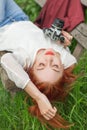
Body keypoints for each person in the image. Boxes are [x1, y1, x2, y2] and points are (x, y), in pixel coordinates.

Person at [0, 0, 77, 129]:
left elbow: (6, 59)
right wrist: (65, 41)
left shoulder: (26, 58)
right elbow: (72, 62)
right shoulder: (59, 54)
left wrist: (39, 96)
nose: (49, 59)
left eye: (41, 65)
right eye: (55, 66)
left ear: (31, 68)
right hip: (19, 17)